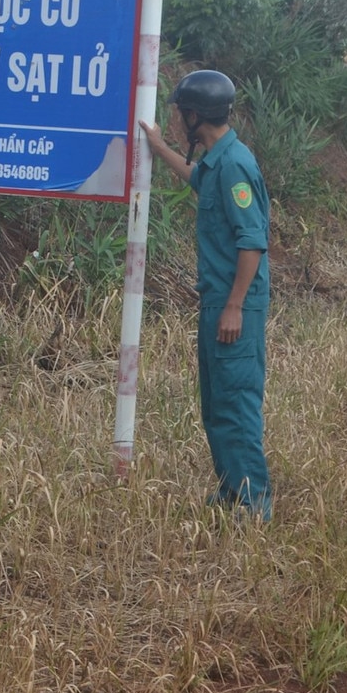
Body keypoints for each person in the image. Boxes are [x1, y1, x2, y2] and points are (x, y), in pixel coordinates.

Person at [139, 69, 273, 520]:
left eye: (180, 115)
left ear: (195, 115)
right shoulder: (217, 161)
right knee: (216, 404)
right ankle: (233, 491)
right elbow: (195, 176)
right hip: (216, 301)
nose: (178, 122)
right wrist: (160, 148)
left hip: (235, 305)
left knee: (236, 404)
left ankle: (255, 504)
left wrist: (234, 306)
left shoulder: (235, 165)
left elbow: (252, 241)